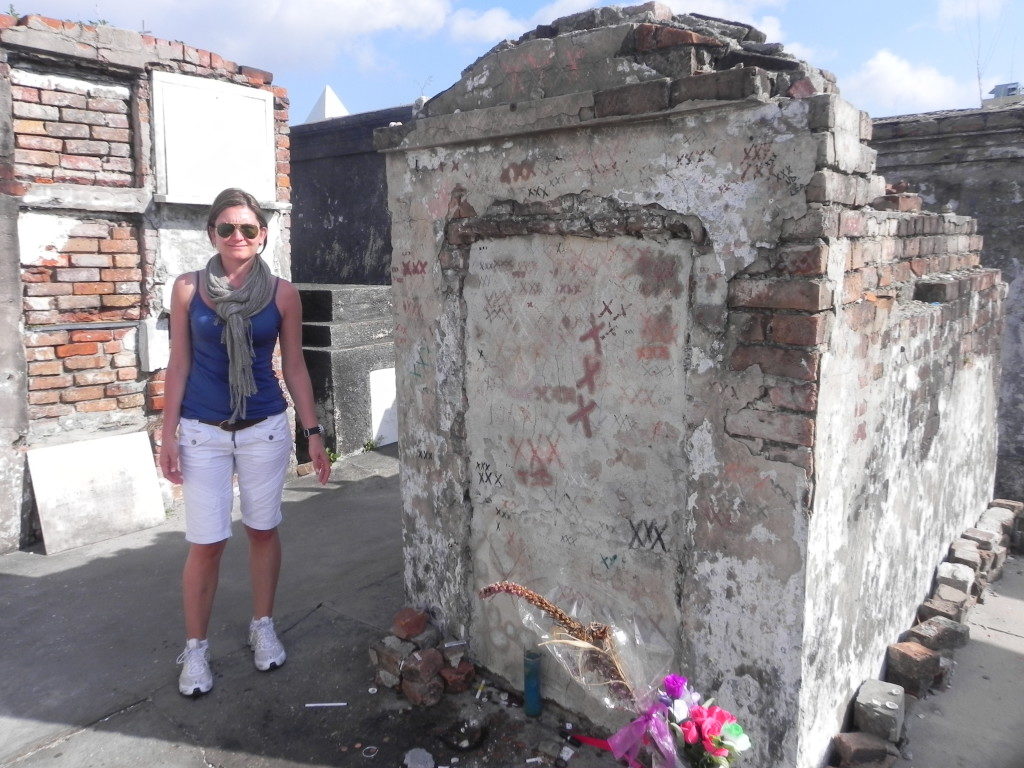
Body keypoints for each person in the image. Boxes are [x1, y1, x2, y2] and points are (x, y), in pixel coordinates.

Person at [159, 187, 331, 696]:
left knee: (261, 530)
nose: (238, 236)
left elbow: (295, 365)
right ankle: (195, 649)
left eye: (248, 228)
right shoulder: (189, 288)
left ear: (263, 235)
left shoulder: (282, 293)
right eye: (227, 228)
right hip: (201, 430)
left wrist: (314, 433)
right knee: (207, 542)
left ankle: (262, 625)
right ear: (211, 233)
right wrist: (166, 434)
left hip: (264, 427)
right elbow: (179, 363)